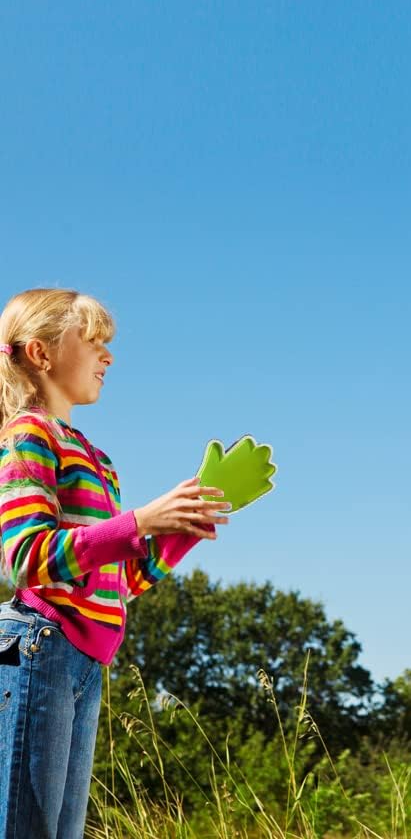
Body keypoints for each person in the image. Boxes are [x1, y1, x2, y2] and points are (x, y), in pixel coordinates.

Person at [0, 288, 229, 839]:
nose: (109, 357)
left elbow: (117, 582)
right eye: (95, 342)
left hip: (82, 659)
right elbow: (26, 557)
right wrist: (140, 522)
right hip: (38, 646)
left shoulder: (98, 459)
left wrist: (179, 531)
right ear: (41, 353)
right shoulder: (26, 436)